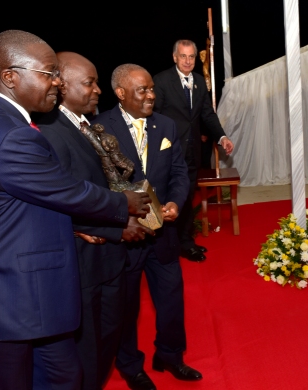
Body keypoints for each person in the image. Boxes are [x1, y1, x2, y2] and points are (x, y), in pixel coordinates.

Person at [0, 31, 151, 390]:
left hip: (29, 296)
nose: (57, 82)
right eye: (49, 73)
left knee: (65, 376)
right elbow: (64, 190)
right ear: (10, 77)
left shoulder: (6, 122)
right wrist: (122, 203)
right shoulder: (8, 133)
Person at [37, 52, 153, 390]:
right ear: (62, 86)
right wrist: (113, 227)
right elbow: (60, 197)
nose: (98, 90)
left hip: (109, 259)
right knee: (86, 352)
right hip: (83, 263)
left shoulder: (86, 126)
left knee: (108, 338)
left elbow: (102, 184)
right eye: (89, 83)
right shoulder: (50, 132)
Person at [94, 64, 198, 390]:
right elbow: (96, 185)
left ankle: (170, 355)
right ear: (121, 93)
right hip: (127, 235)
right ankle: (130, 366)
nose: (151, 95)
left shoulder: (166, 125)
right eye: (143, 90)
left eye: (152, 88)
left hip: (163, 232)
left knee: (171, 299)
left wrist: (176, 204)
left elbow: (180, 173)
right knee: (126, 307)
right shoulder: (99, 128)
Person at [153, 39, 235, 261]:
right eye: (183, 56)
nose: (188, 61)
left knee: (187, 198)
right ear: (174, 57)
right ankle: (166, 244)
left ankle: (185, 242)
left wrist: (222, 136)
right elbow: (154, 117)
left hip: (192, 152)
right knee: (168, 198)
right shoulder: (161, 81)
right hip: (167, 152)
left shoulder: (199, 82)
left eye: (191, 57)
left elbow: (207, 114)